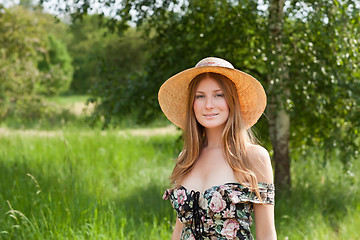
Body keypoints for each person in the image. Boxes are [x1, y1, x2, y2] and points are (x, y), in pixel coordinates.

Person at [158, 57, 276, 240]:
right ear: (192, 103)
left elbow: (267, 235)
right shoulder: (187, 158)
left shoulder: (254, 157)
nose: (209, 105)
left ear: (231, 101)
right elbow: (179, 230)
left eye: (218, 95)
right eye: (200, 96)